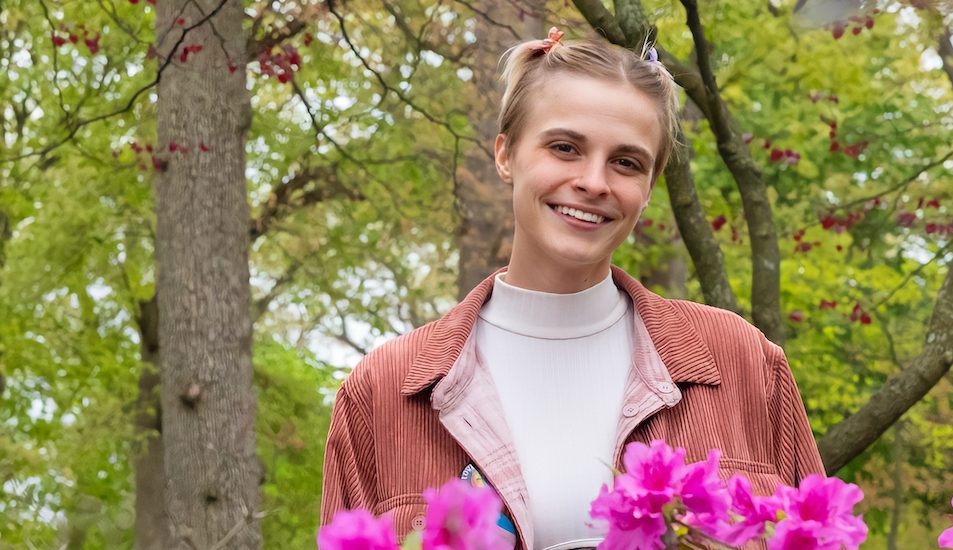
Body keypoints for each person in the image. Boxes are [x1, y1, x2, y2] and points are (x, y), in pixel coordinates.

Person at [321, 28, 824, 550]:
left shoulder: (742, 362)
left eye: (626, 162)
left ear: (649, 188)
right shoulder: (383, 391)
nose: (594, 182)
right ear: (506, 155)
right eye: (565, 148)